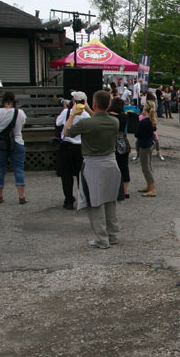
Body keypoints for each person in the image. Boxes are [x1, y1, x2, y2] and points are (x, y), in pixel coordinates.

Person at [65, 90, 122, 249]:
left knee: (95, 202)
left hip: (93, 165)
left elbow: (66, 132)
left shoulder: (86, 123)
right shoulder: (114, 122)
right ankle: (113, 235)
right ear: (109, 104)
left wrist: (72, 115)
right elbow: (99, 118)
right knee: (110, 200)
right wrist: (91, 109)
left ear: (95, 104)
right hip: (111, 163)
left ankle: (101, 239)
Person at [0, 91, 27, 205]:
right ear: (14, 101)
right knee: (19, 169)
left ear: (3, 101)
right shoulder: (20, 113)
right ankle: (21, 196)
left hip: (1, 143)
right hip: (17, 141)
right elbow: (22, 127)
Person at [55, 92, 89, 210]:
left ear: (74, 101)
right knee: (81, 175)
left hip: (67, 145)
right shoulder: (87, 115)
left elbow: (58, 123)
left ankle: (68, 200)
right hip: (81, 147)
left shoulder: (67, 113)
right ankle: (82, 199)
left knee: (66, 175)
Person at [108, 98, 131, 200]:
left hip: (110, 142)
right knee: (124, 168)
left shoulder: (108, 116)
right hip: (122, 143)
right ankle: (125, 191)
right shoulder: (124, 116)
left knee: (111, 168)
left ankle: (112, 190)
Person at [134, 100, 158, 197]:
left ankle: (152, 188)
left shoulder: (143, 122)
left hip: (144, 145)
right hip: (150, 144)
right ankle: (149, 186)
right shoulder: (152, 121)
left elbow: (137, 134)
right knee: (148, 165)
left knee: (145, 168)